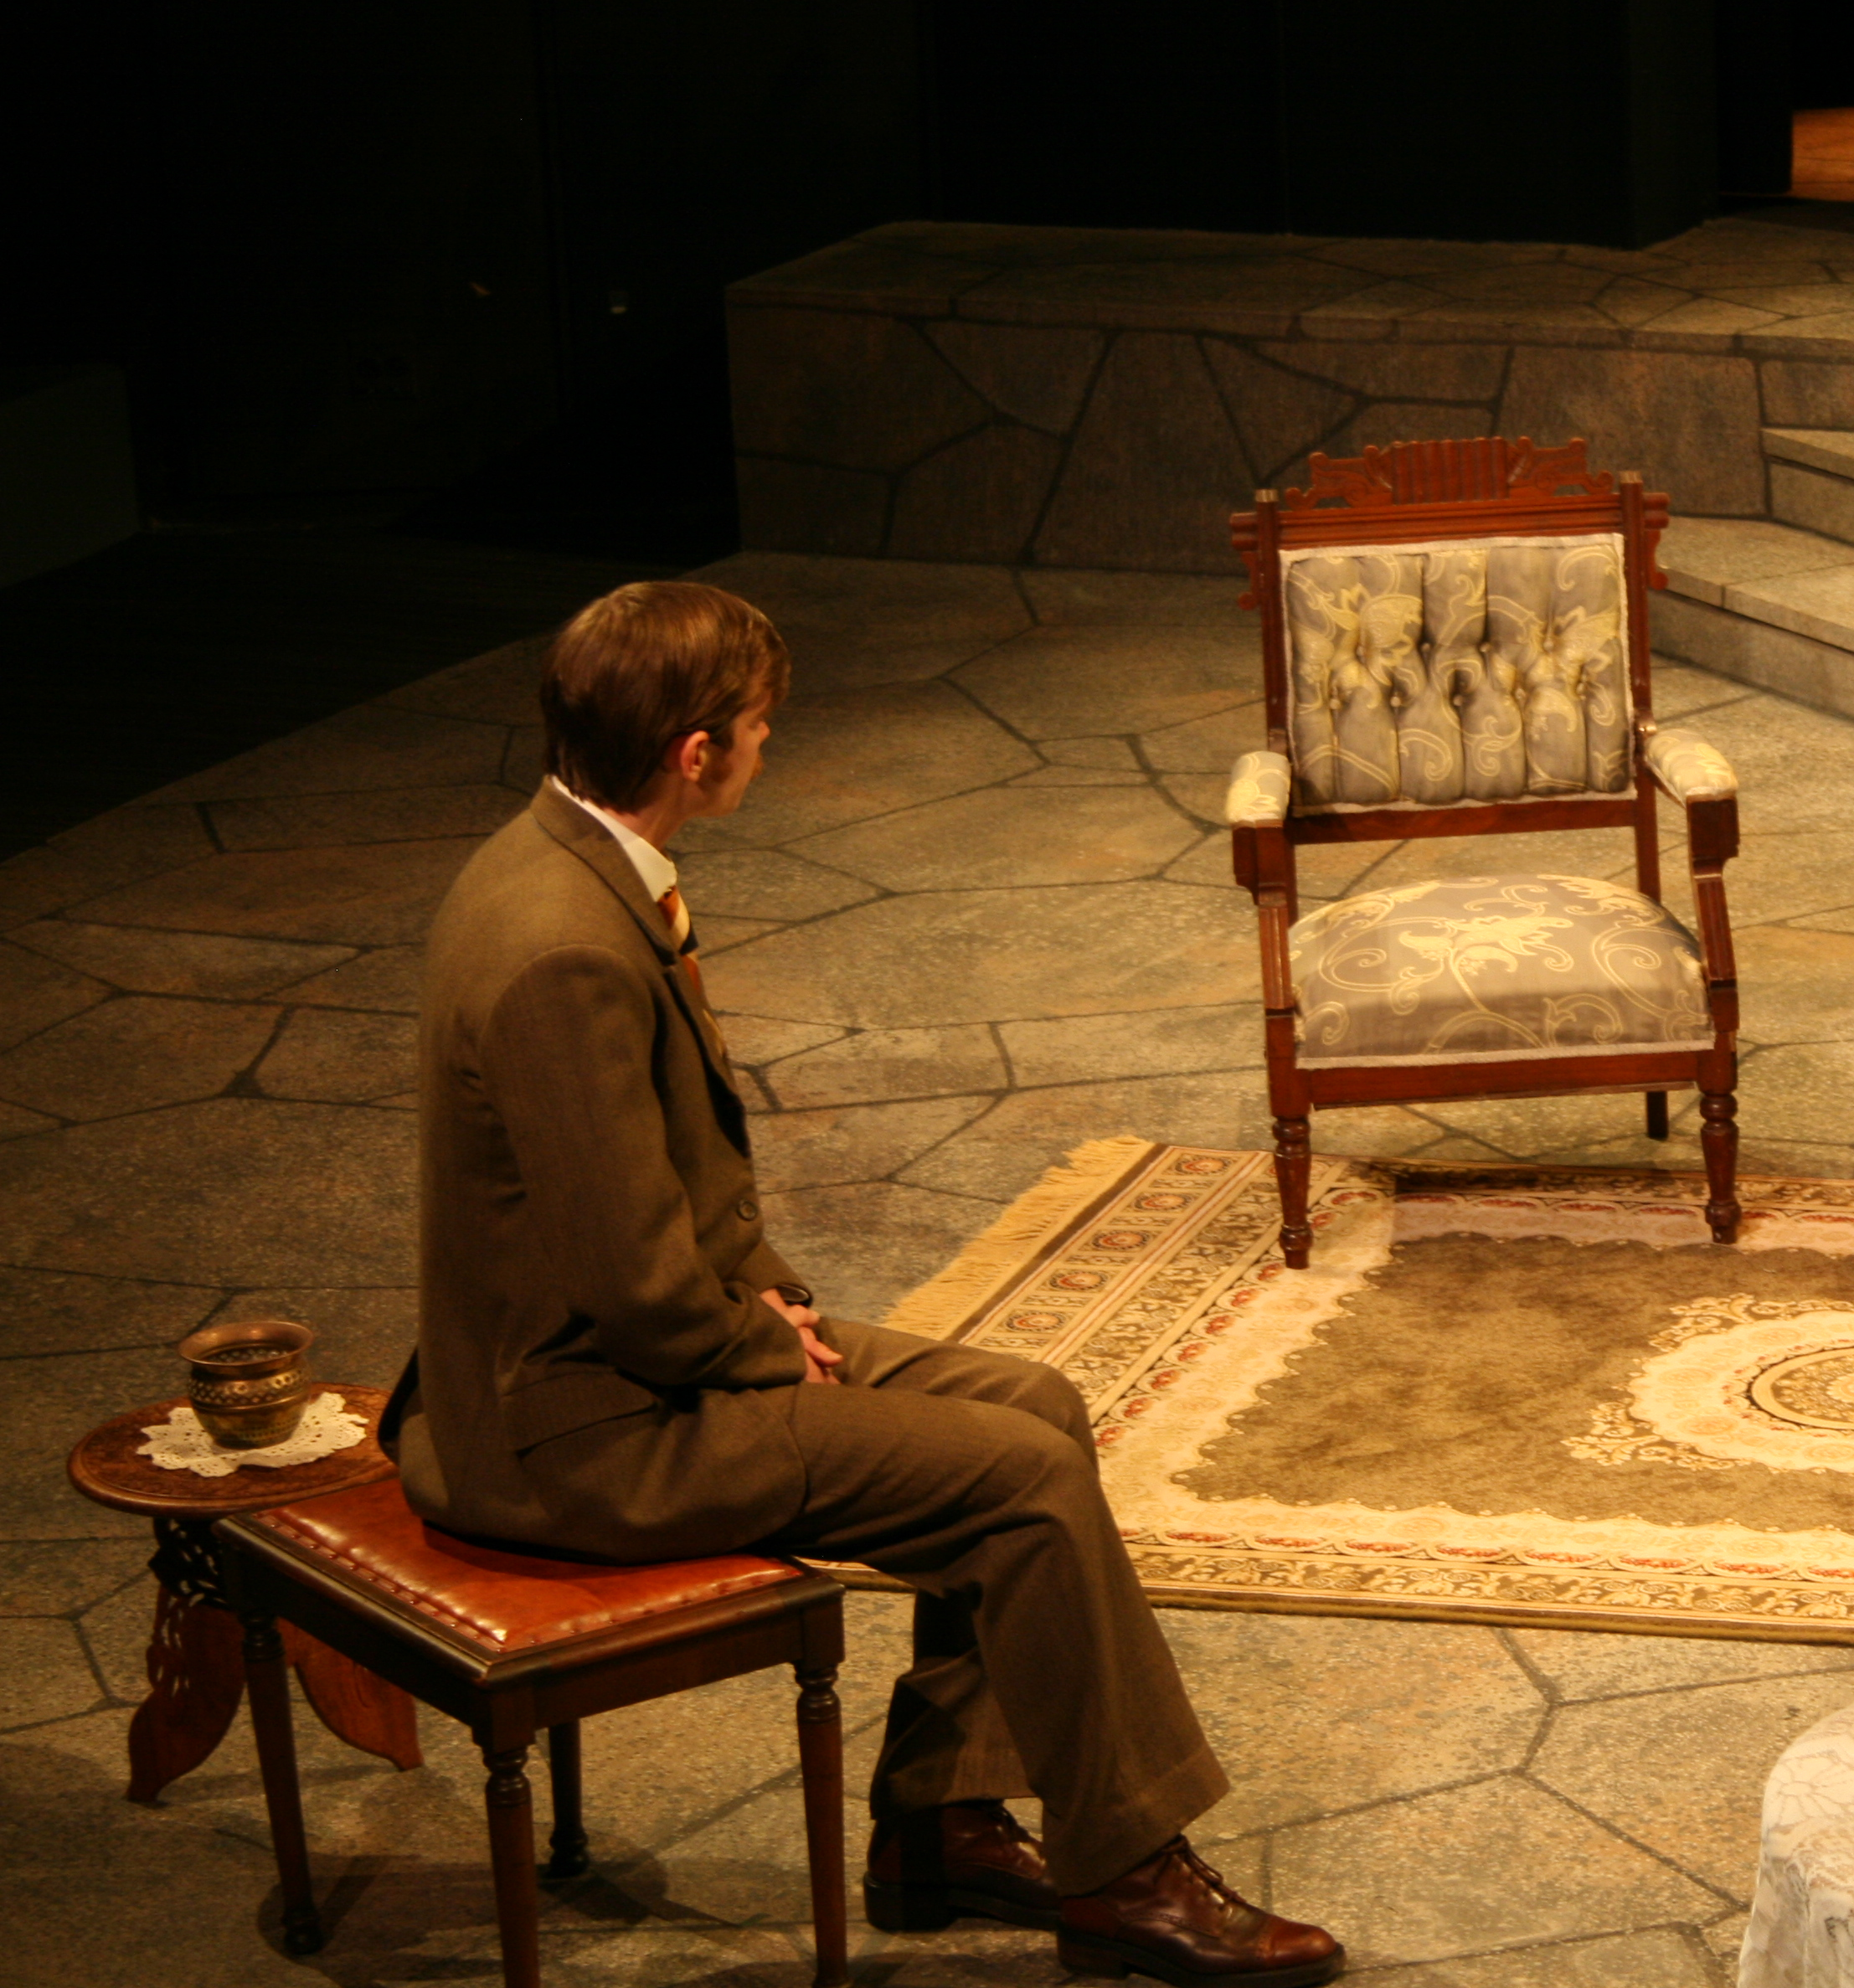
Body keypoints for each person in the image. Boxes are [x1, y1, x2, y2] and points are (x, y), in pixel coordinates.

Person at [387, 580, 1341, 1984]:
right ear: (694, 755)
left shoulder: (558, 863)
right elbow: (634, 1288)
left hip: (653, 1350)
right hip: (585, 1431)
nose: (770, 748)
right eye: (759, 728)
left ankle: (939, 1819)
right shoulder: (561, 951)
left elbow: (653, 1205)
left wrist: (762, 1302)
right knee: (1014, 1484)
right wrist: (769, 1348)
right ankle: (1128, 1872)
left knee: (1035, 1403)